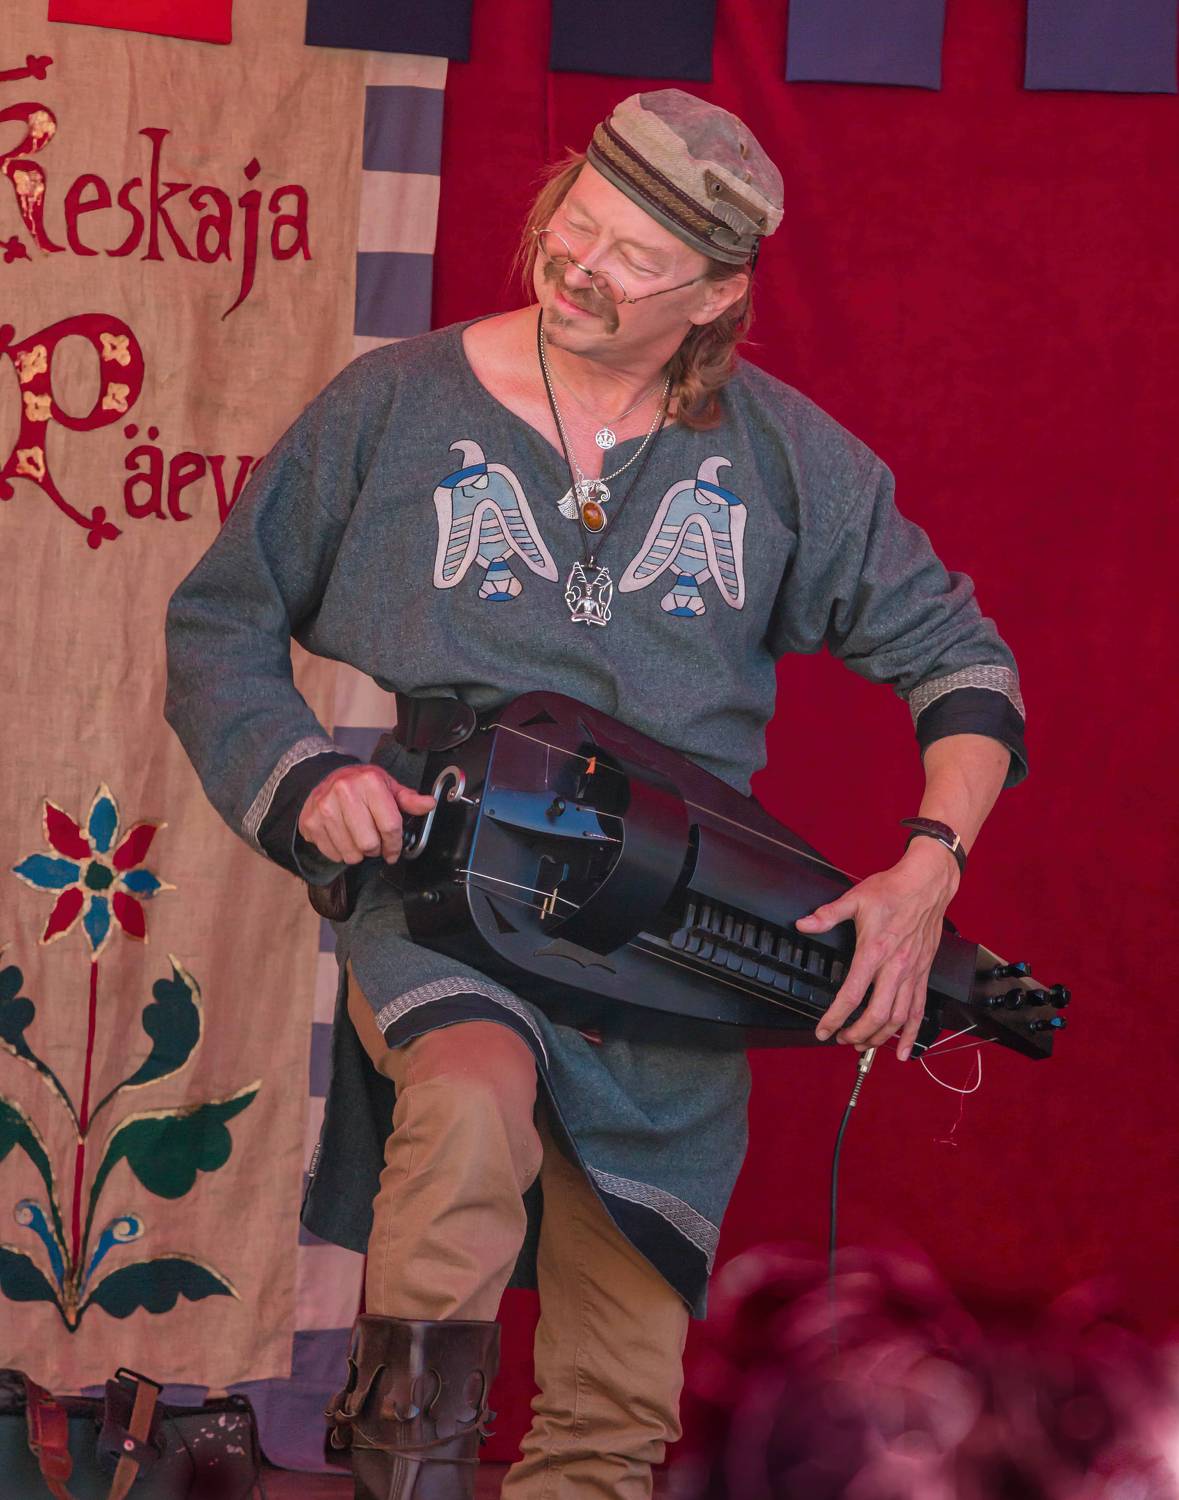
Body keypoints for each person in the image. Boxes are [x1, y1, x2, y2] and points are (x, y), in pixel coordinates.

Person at [164, 89, 1027, 1500]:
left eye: (636, 257)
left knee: (618, 1391)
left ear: (718, 294)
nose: (580, 266)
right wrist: (308, 775)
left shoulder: (785, 456)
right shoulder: (396, 403)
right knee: (468, 1110)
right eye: (578, 223)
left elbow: (964, 662)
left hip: (679, 927)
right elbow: (220, 622)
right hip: (446, 888)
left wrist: (930, 865)